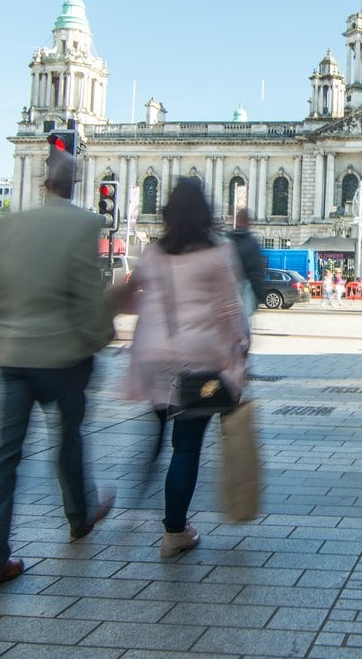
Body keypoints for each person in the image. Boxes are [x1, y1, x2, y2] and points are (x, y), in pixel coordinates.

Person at [0, 151, 115, 597]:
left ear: (42, 181)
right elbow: (87, 293)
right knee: (68, 437)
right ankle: (79, 516)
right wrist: (99, 338)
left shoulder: (7, 226)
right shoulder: (84, 224)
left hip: (12, 356)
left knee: (3, 457)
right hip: (65, 355)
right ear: (74, 183)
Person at [118, 177, 249, 559]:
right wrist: (239, 354)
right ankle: (174, 530)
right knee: (187, 446)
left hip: (153, 356)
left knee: (158, 433)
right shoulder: (218, 253)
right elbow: (230, 311)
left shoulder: (155, 251)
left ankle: (139, 492)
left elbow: (133, 295)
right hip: (199, 361)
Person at [229, 208, 267, 315]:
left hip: (228, 299)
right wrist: (256, 300)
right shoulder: (252, 243)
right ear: (248, 222)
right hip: (245, 298)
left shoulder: (226, 240)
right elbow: (257, 275)